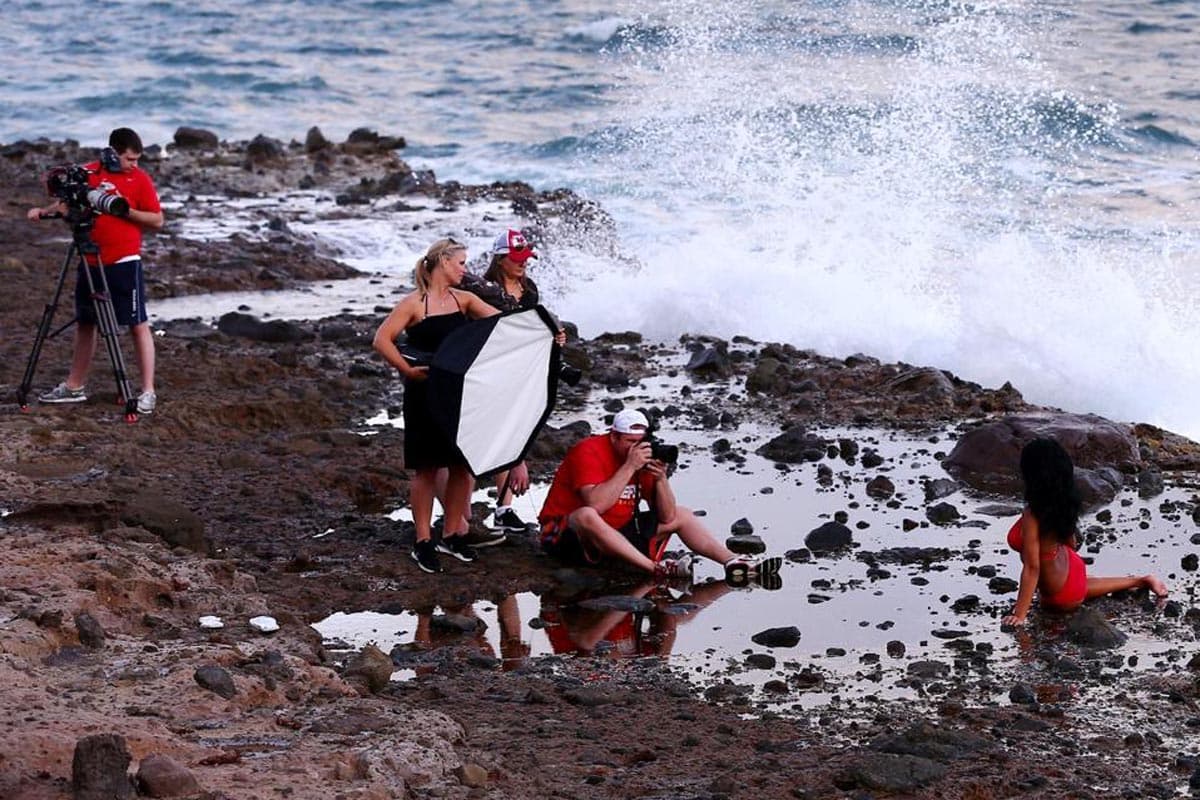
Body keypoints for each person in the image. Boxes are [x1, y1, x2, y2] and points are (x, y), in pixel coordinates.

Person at [373, 238, 500, 574]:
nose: (465, 269)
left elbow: (508, 327)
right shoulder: (415, 303)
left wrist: (550, 332)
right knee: (426, 468)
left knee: (461, 466)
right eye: (460, 263)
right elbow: (381, 339)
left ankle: (451, 535)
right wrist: (407, 371)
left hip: (459, 394)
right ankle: (423, 541)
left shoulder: (465, 300)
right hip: (424, 392)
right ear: (443, 261)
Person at [27, 127, 163, 414]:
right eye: (129, 159)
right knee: (86, 324)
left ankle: (147, 391)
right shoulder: (89, 173)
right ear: (113, 152)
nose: (135, 164)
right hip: (89, 260)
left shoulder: (139, 179)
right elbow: (69, 200)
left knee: (137, 325)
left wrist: (124, 211)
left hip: (124, 262)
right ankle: (74, 386)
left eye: (138, 159)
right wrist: (45, 210)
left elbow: (157, 220)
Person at [538, 409, 753, 581]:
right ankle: (654, 569)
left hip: (617, 532)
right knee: (585, 514)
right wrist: (630, 466)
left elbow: (667, 517)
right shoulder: (588, 451)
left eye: (640, 441)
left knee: (683, 515)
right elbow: (596, 504)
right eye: (630, 442)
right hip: (567, 534)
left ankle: (734, 561)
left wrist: (661, 479)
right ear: (613, 437)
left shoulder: (645, 455)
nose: (636, 448)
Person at [452, 228, 567, 543]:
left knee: (514, 423)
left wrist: (553, 332)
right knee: (484, 434)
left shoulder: (529, 290)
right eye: (517, 259)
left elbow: (534, 321)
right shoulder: (480, 288)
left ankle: (503, 509)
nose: (523, 264)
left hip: (518, 367)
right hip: (486, 365)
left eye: (526, 258)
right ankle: (463, 516)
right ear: (500, 260)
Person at [1002, 438, 1168, 627]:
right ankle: (1142, 580)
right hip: (1071, 569)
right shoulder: (1064, 503)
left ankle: (1139, 580)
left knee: (1073, 590)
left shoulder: (1033, 514)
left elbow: (1033, 567)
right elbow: (1071, 544)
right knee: (1082, 584)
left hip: (1060, 596)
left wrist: (1019, 615)